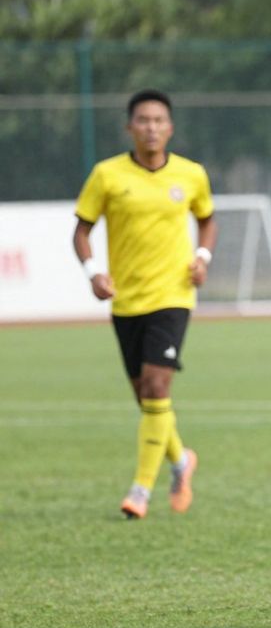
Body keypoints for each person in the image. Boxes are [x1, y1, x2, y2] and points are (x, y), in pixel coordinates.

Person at [73, 89, 214, 520]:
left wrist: (202, 258)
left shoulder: (191, 174)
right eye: (143, 120)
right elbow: (80, 231)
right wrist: (93, 272)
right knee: (148, 400)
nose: (151, 127)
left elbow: (207, 219)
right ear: (129, 127)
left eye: (158, 120)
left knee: (156, 388)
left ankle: (140, 489)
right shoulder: (106, 175)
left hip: (172, 297)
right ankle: (180, 460)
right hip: (125, 301)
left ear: (169, 128)